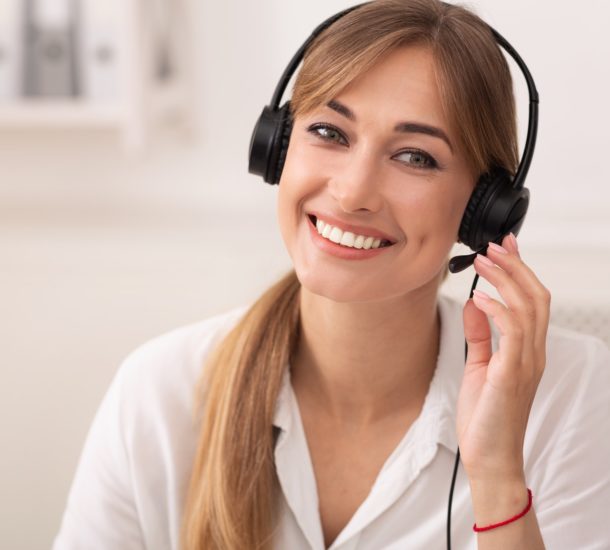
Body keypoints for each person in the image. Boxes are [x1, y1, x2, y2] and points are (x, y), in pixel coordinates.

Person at [53, 1, 610, 549]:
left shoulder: (571, 392)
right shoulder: (158, 393)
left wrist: (496, 479)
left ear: (484, 209)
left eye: (415, 157)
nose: (352, 192)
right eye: (330, 132)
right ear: (277, 149)